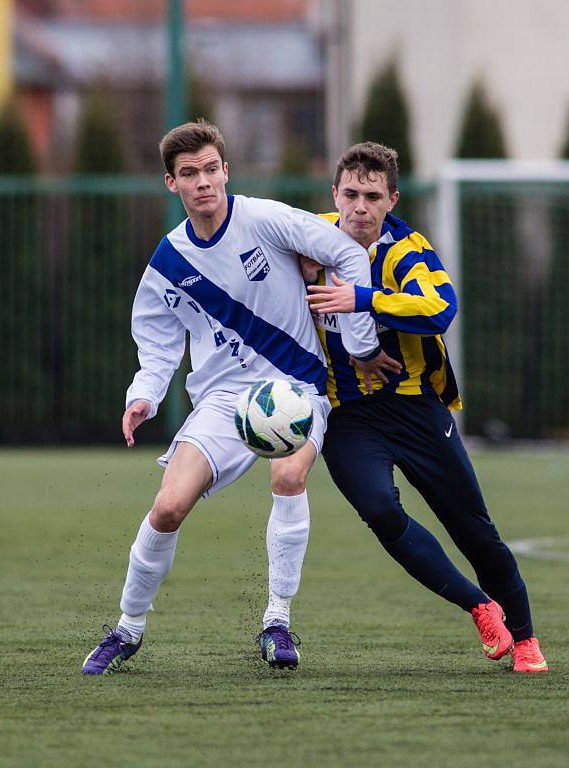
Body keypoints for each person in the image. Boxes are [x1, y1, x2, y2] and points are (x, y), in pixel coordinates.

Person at [81, 121, 399, 675]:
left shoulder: (266, 219)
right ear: (171, 184)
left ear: (226, 171)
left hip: (298, 384)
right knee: (168, 506)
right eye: (189, 174)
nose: (202, 182)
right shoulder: (168, 264)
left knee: (288, 477)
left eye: (210, 169)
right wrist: (144, 395)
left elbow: (349, 253)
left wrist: (359, 341)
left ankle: (277, 621)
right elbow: (156, 342)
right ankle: (127, 628)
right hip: (222, 399)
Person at [303, 142, 549, 673]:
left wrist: (362, 300)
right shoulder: (306, 240)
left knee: (474, 531)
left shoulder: (406, 248)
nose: (360, 207)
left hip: (417, 410)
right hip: (347, 419)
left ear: (392, 199)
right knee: (381, 511)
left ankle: (526, 639)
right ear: (334, 195)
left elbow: (441, 307)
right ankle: (481, 608)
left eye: (372, 196)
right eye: (350, 194)